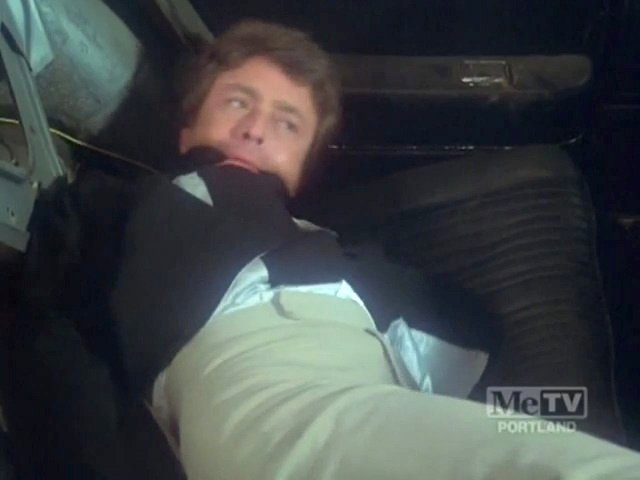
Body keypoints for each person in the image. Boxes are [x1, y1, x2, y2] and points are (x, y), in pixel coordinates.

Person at [7, 18, 640, 480]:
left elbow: (466, 340)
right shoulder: (120, 204)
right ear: (187, 127)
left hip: (392, 386)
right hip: (268, 393)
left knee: (554, 429)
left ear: (304, 164)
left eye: (287, 122)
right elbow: (49, 341)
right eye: (237, 102)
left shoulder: (333, 244)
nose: (255, 128)